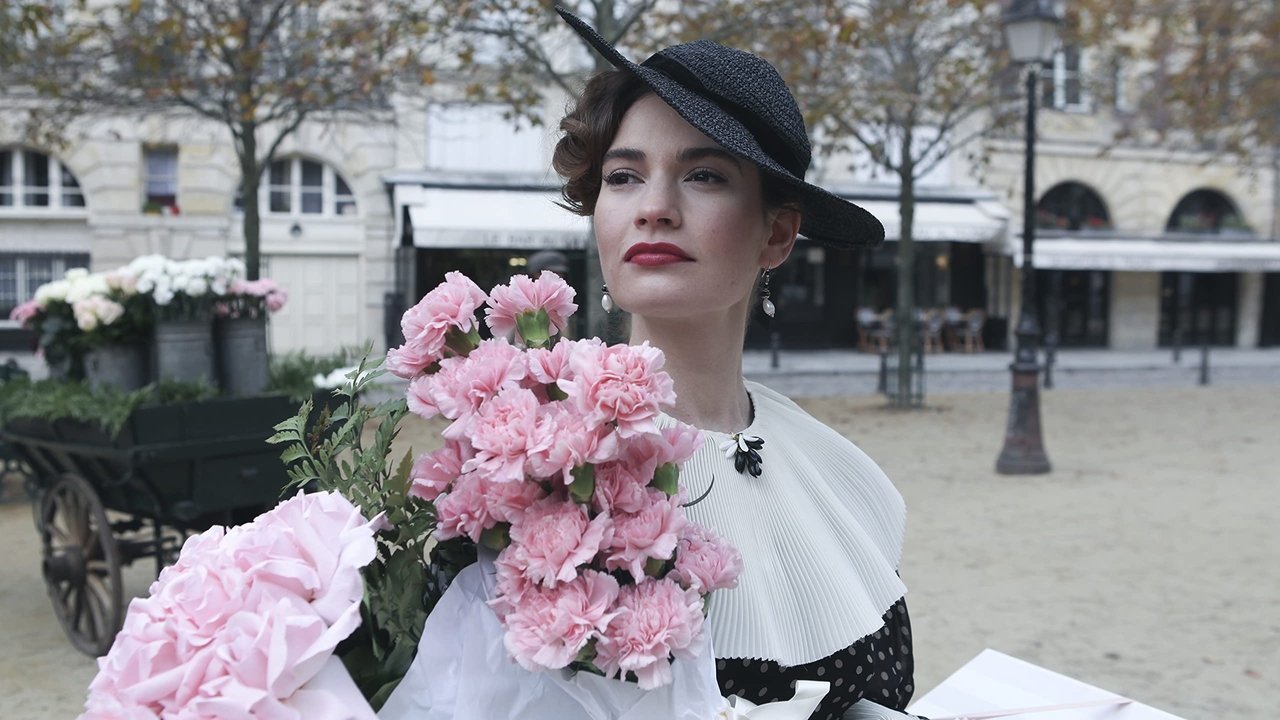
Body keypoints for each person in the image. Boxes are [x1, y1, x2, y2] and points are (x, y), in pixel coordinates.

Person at [550, 8, 917, 719]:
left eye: (704, 175)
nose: (654, 208)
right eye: (623, 176)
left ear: (776, 235)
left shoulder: (840, 475)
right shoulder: (542, 464)